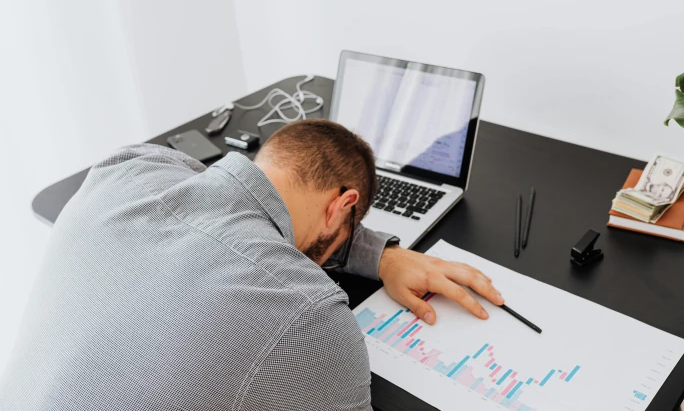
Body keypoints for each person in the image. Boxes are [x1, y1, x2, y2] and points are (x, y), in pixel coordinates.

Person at [0, 119, 503, 410]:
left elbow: (232, 192)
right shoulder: (310, 317)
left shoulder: (128, 167)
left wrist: (383, 255)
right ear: (342, 205)